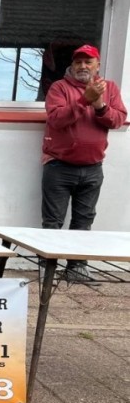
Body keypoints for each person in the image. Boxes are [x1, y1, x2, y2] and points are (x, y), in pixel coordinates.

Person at [41, 44, 127, 281]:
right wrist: (83, 101)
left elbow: (118, 119)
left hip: (93, 168)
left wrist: (99, 105)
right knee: (53, 221)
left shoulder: (109, 89)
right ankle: (47, 268)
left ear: (97, 65)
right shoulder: (59, 87)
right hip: (59, 165)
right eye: (78, 62)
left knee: (83, 221)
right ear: (72, 64)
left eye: (88, 62)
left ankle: (77, 268)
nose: (82, 66)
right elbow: (56, 120)